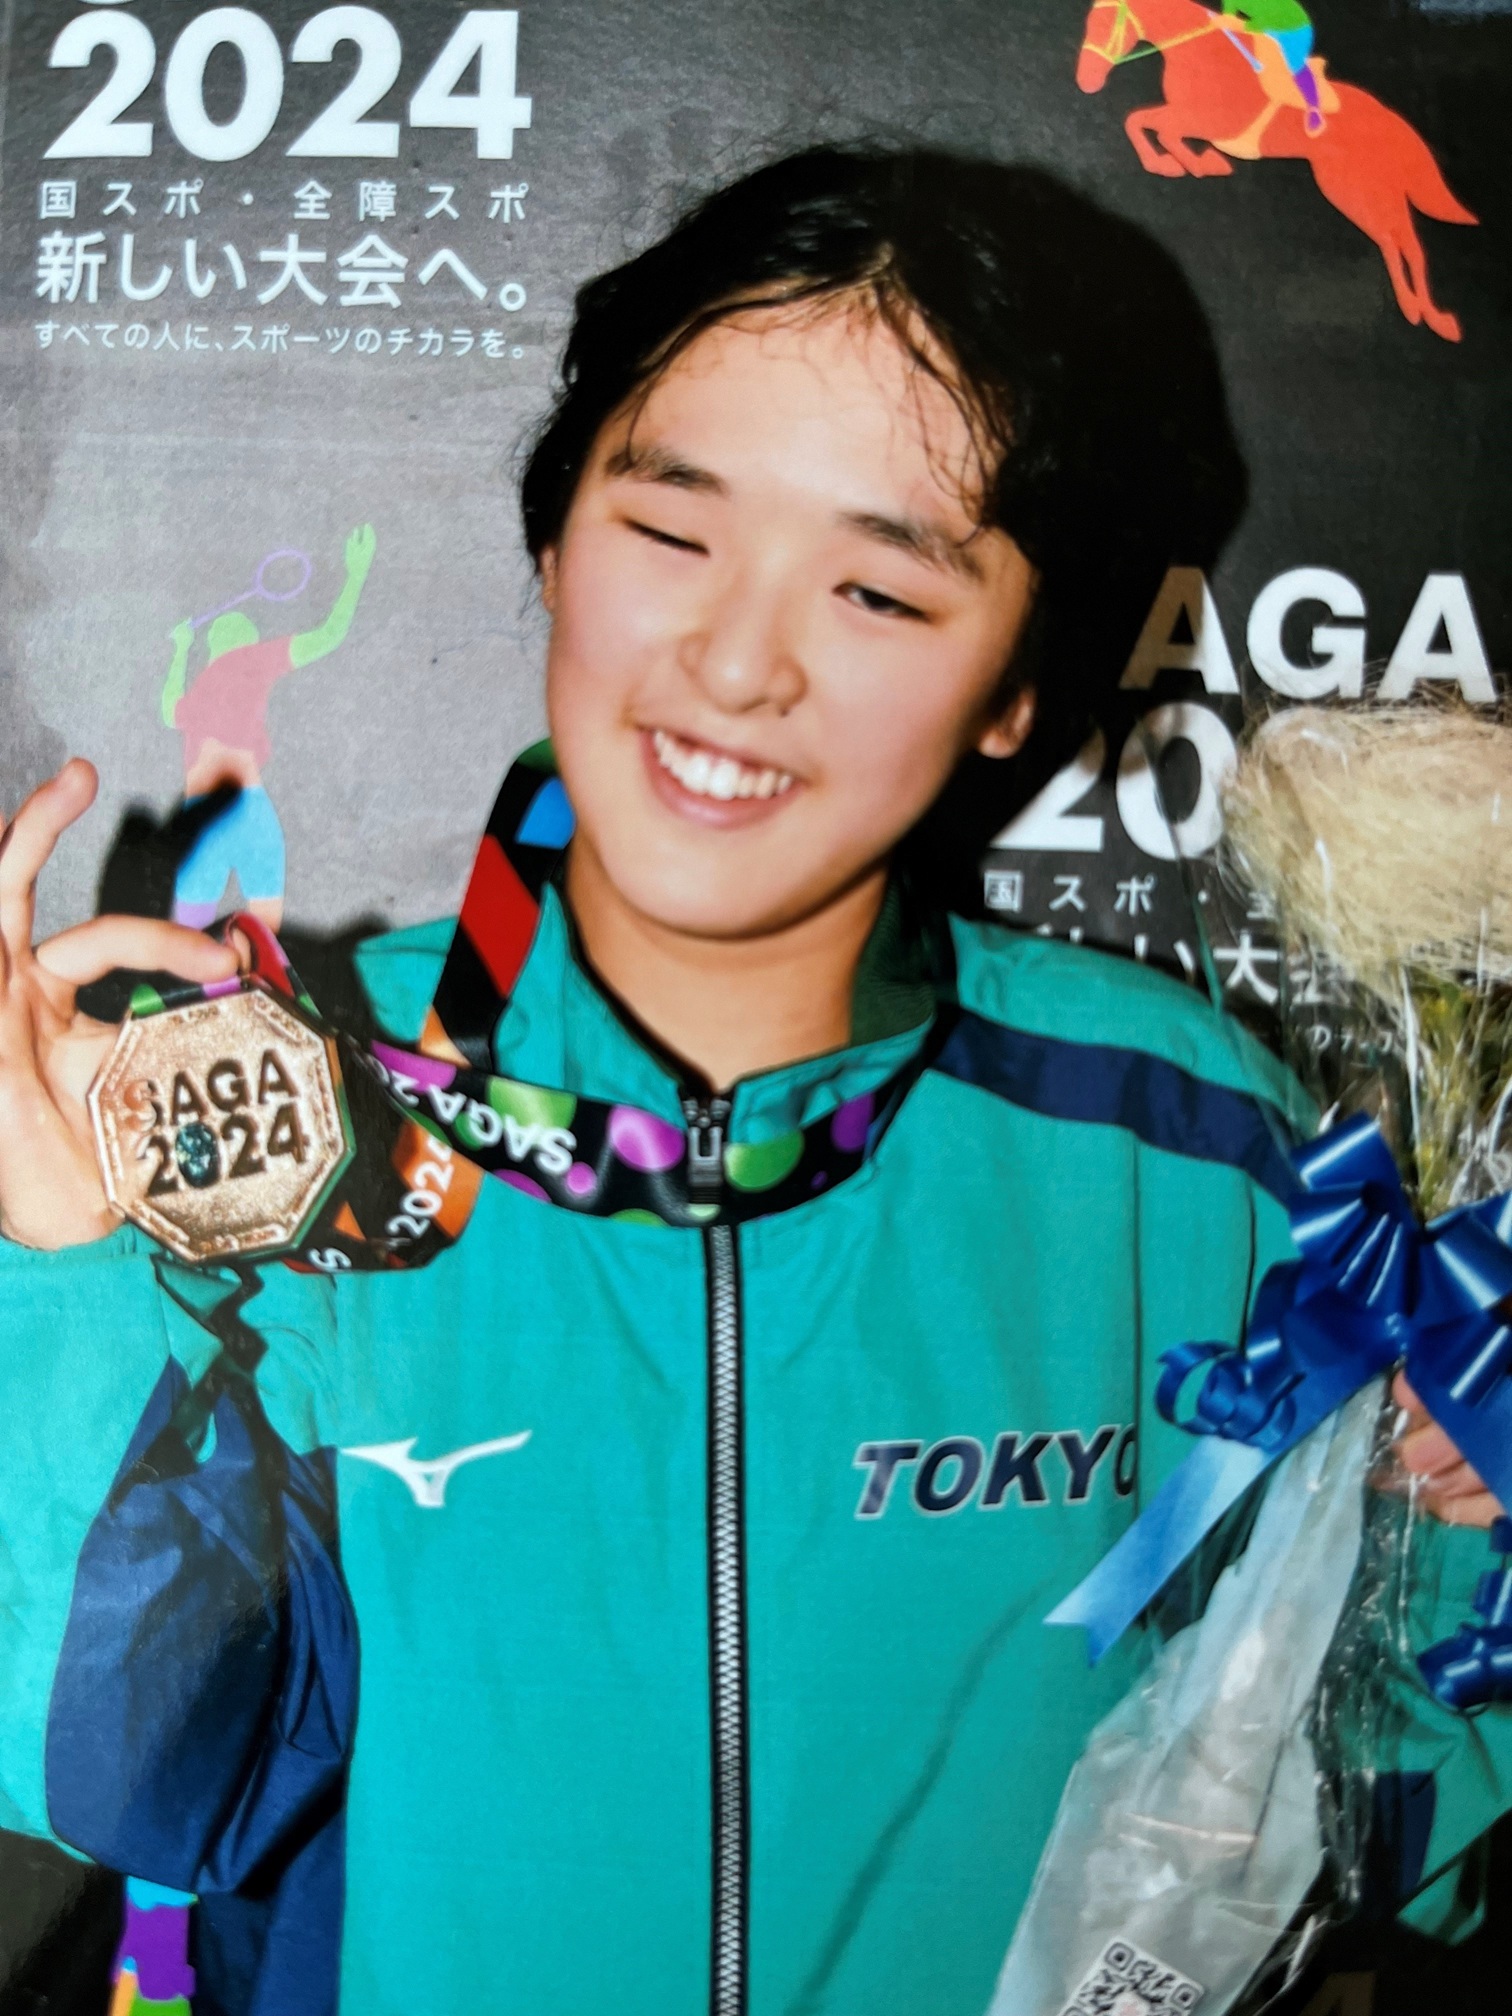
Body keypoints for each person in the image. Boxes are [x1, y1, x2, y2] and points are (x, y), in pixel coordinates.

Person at [0, 148, 1502, 2016]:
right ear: (554, 546)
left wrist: (1473, 1530)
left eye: (876, 590)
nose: (735, 662)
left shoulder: (1196, 1149)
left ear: (1020, 681)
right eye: (672, 530)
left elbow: (1370, 1824)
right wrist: (61, 1258)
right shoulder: (286, 1110)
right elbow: (121, 1778)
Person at [161, 525, 377, 930]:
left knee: (188, 934)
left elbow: (167, 712)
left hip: (203, 813)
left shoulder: (208, 684)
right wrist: (356, 574)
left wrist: (181, 649)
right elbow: (329, 635)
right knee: (264, 935)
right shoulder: (247, 665)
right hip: (247, 808)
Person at [1221, 0, 1327, 136]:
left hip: (1294, 28)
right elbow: (1229, 16)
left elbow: (1266, 18)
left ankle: (1313, 107)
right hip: (1267, 29)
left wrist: (1241, 25)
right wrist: (1225, 20)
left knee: (1295, 64)